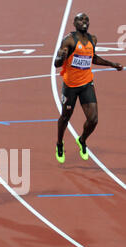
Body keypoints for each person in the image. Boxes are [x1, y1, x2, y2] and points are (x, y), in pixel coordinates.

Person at [54, 13, 123, 163]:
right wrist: (62, 57)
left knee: (93, 119)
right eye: (81, 19)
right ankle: (59, 144)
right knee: (65, 117)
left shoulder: (93, 39)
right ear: (74, 23)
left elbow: (93, 57)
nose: (84, 22)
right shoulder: (69, 40)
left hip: (86, 84)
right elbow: (56, 64)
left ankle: (82, 140)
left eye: (86, 20)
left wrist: (112, 64)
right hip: (70, 86)